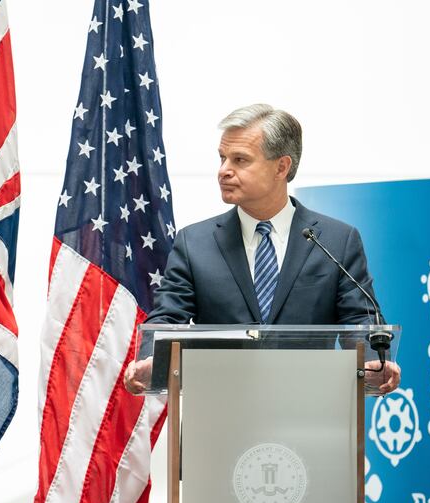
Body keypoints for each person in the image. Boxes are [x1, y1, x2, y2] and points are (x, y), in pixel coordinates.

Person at [124, 103, 400, 394]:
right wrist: (151, 360)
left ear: (282, 166)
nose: (223, 171)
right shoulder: (194, 243)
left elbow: (359, 319)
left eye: (240, 160)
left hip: (312, 409)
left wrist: (373, 363)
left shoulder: (336, 240)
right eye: (222, 158)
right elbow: (168, 317)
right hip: (219, 409)